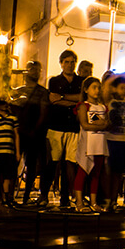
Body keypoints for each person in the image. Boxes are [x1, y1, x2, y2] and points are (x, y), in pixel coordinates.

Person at [9, 60, 50, 206]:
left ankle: (26, 196)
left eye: (38, 70)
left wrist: (35, 130)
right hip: (20, 133)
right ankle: (9, 196)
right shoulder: (18, 91)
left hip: (34, 134)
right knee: (14, 164)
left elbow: (43, 113)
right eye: (32, 69)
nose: (35, 72)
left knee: (32, 165)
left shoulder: (43, 92)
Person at [47, 50, 83, 208]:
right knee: (53, 162)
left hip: (73, 127)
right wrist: (73, 101)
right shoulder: (54, 81)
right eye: (66, 61)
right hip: (56, 125)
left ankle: (66, 197)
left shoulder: (81, 81)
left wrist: (62, 97)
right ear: (61, 63)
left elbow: (82, 99)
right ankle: (44, 195)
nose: (69, 64)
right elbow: (53, 100)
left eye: (72, 61)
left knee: (70, 163)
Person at [73, 77, 108, 211]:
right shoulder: (84, 106)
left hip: (100, 143)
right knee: (82, 172)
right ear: (86, 89)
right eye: (94, 87)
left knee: (96, 173)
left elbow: (107, 123)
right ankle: (79, 202)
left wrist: (101, 125)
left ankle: (94, 202)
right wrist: (101, 125)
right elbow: (85, 125)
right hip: (87, 143)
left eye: (99, 87)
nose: (97, 90)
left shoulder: (103, 107)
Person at [103, 74, 125, 212]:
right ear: (115, 89)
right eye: (122, 88)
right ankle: (106, 199)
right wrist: (117, 76)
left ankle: (114, 199)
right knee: (107, 171)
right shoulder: (109, 101)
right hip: (110, 140)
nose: (124, 91)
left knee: (118, 172)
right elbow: (105, 89)